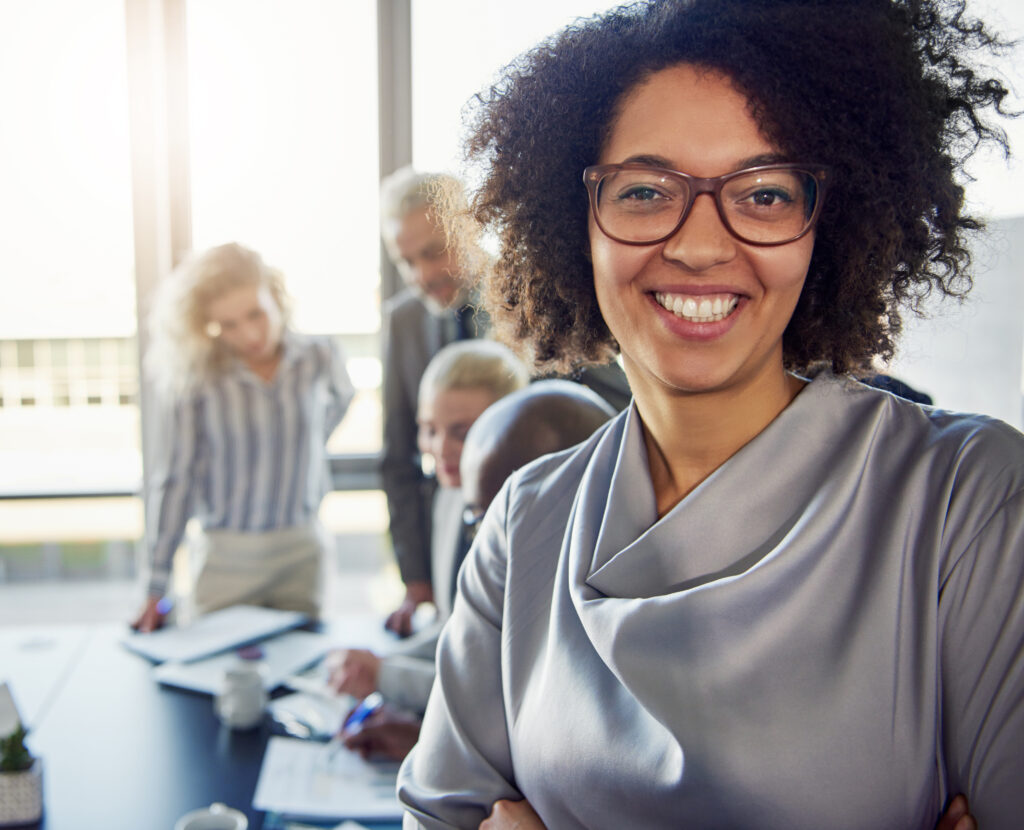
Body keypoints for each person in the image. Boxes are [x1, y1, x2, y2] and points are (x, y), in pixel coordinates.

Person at [397, 1, 1022, 828]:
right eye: (644, 191)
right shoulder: (525, 523)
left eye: (763, 194)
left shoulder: (967, 501)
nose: (699, 245)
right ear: (577, 226)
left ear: (825, 227)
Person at [338, 379, 616, 762]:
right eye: (478, 520)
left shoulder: (606, 612)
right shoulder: (475, 519)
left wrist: (417, 726)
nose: (487, 544)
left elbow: (524, 712)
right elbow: (467, 636)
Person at [131, 243, 354, 632]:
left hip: (302, 557)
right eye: (228, 325)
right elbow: (176, 479)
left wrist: (302, 443)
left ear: (276, 297)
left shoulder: (319, 356)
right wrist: (155, 587)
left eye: (256, 314)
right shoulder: (198, 376)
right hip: (225, 562)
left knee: (303, 664)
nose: (249, 334)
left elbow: (342, 399)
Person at [327, 340, 528, 713]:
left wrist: (386, 675)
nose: (440, 448)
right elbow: (454, 630)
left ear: (509, 428)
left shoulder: (526, 526)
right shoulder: (449, 497)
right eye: (429, 430)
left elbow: (496, 688)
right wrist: (378, 662)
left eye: (462, 432)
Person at [379, 167, 487, 638]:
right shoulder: (402, 322)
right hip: (445, 536)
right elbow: (398, 457)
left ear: (471, 229)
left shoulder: (530, 298)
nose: (422, 276)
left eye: (434, 252)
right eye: (407, 262)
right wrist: (416, 578)